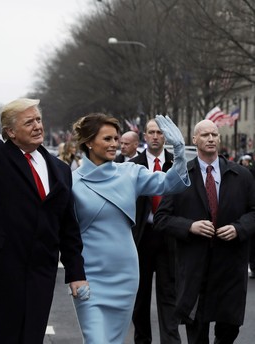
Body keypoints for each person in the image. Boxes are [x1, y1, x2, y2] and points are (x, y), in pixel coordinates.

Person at [0, 99, 88, 343]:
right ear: (11, 132)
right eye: (29, 122)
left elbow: (68, 226)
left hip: (39, 274)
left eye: (38, 120)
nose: (37, 126)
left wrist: (76, 272)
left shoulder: (60, 169)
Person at [70, 113, 189, 344]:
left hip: (125, 275)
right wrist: (75, 274)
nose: (115, 144)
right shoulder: (71, 182)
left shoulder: (130, 173)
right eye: (107, 139)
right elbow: (66, 235)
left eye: (116, 138)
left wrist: (180, 152)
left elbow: (169, 183)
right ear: (88, 142)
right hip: (89, 277)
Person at [154, 119, 255, 344]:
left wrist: (239, 228)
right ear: (194, 140)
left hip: (230, 264)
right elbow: (161, 219)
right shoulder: (181, 175)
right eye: (205, 135)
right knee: (196, 329)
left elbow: (253, 212)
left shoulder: (241, 175)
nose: (210, 139)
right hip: (195, 266)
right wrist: (190, 226)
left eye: (214, 134)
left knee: (229, 327)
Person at [129, 119, 181, 343]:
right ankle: (142, 340)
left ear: (165, 137)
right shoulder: (133, 165)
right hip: (142, 236)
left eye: (160, 132)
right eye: (151, 132)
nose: (155, 136)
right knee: (140, 297)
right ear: (144, 136)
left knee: (169, 294)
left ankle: (170, 340)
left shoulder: (177, 163)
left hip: (169, 235)